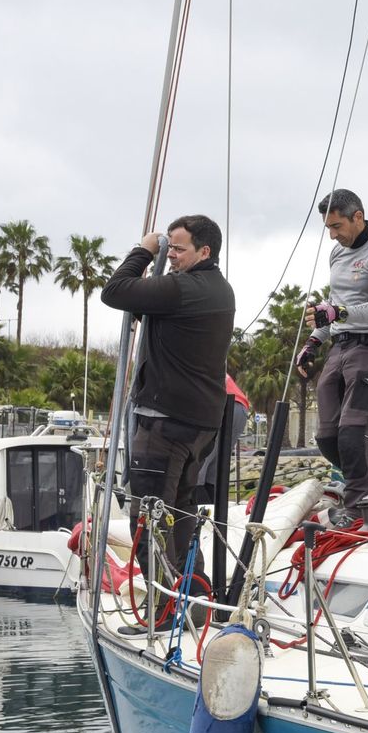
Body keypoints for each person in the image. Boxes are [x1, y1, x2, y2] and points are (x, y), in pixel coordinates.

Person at [100, 215, 236, 593]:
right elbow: (150, 309)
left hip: (164, 424)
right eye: (168, 248)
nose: (171, 255)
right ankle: (193, 592)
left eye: (178, 249)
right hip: (199, 424)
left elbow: (115, 291)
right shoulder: (218, 289)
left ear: (204, 251)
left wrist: (145, 249)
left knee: (149, 518)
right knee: (179, 511)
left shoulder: (182, 289)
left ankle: (161, 609)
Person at [295, 188, 368, 527]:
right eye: (328, 228)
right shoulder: (336, 254)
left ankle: (358, 507)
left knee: (352, 433)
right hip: (339, 347)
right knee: (327, 438)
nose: (333, 235)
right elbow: (331, 308)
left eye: (338, 226)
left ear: (358, 217)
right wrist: (313, 341)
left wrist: (338, 311)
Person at [192, 374, 251, 506]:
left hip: (220, 404)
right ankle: (216, 516)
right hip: (240, 407)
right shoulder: (213, 360)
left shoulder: (190, 361)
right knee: (215, 472)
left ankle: (202, 516)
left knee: (197, 471)